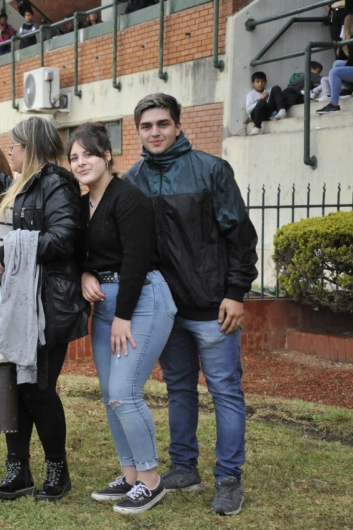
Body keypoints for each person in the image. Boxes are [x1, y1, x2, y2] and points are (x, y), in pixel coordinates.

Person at [123, 93, 258, 517]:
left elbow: (241, 236)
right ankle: (184, 467)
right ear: (138, 132)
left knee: (224, 391)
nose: (155, 132)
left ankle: (228, 478)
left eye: (162, 124)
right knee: (179, 390)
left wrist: (236, 292)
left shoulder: (211, 170)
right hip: (164, 311)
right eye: (146, 126)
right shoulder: (132, 180)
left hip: (213, 307)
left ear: (178, 126)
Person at [0, 117, 88, 503]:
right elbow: (26, 202)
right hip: (23, 301)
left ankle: (58, 470)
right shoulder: (32, 182)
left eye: (15, 146)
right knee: (16, 388)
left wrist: (7, 250)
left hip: (47, 304)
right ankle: (17, 471)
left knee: (37, 390)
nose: (9, 153)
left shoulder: (57, 183)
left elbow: (63, 237)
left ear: (31, 148)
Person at [69, 123, 177, 515]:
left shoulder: (129, 197)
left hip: (141, 299)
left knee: (124, 392)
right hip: (106, 305)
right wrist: (84, 274)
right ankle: (130, 475)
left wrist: (124, 316)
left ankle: (151, 480)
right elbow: (81, 256)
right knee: (110, 396)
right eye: (74, 157)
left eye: (88, 155)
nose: (81, 162)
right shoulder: (82, 206)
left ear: (108, 156)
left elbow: (135, 259)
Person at [317, 14, 353, 114]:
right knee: (337, 63)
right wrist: (345, 41)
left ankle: (334, 104)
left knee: (335, 72)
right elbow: (342, 58)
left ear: (348, 24)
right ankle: (345, 88)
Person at [246, 71, 288, 136]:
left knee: (276, 88)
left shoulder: (269, 90)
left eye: (262, 81)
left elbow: (272, 102)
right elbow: (248, 110)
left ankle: (282, 110)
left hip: (268, 113)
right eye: (257, 82)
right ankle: (257, 127)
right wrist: (261, 99)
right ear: (252, 83)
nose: (260, 84)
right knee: (262, 102)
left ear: (265, 82)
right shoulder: (251, 94)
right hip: (256, 115)